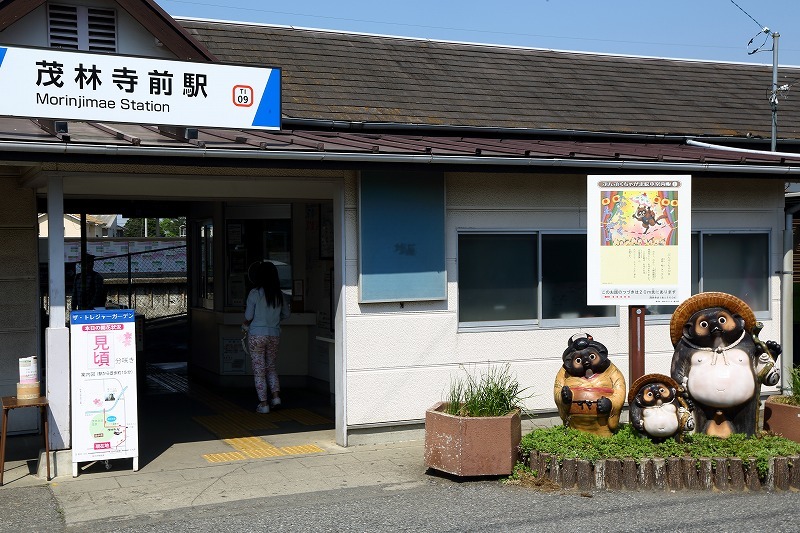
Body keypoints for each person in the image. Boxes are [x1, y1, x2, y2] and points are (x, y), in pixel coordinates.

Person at [242, 261, 290, 413]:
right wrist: (274, 320)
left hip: (256, 335)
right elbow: (286, 314)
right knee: (271, 367)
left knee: (259, 370)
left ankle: (263, 405)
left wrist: (245, 324)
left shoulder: (255, 293)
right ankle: (276, 397)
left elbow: (248, 315)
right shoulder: (279, 294)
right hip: (274, 334)